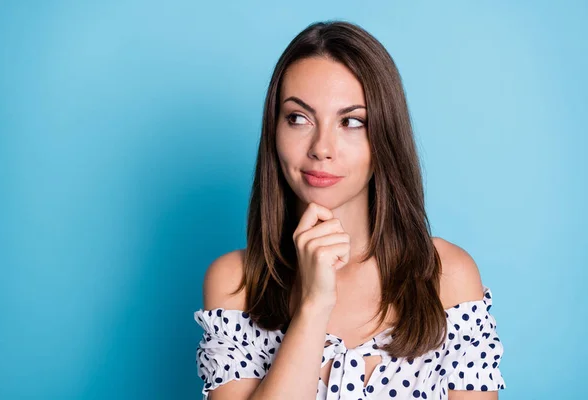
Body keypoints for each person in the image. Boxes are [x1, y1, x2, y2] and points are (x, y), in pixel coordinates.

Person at [193, 20, 506, 400]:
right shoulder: (236, 283)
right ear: (274, 130)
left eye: (352, 121)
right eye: (298, 118)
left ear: (384, 136)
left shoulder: (447, 276)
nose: (322, 147)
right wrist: (313, 305)